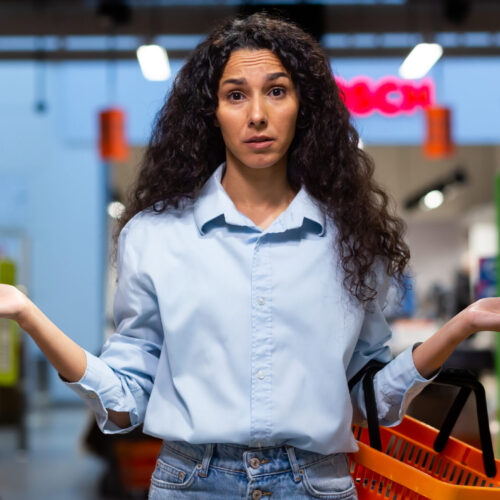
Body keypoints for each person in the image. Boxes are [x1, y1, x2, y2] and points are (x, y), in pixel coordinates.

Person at [1, 12, 500, 500]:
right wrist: (27, 313)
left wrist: (463, 324)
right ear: (211, 111)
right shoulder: (155, 236)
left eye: (277, 91)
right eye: (235, 94)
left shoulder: (351, 237)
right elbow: (126, 399)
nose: (257, 114)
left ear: (303, 105)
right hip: (192, 484)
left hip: (317, 485)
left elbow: (366, 397)